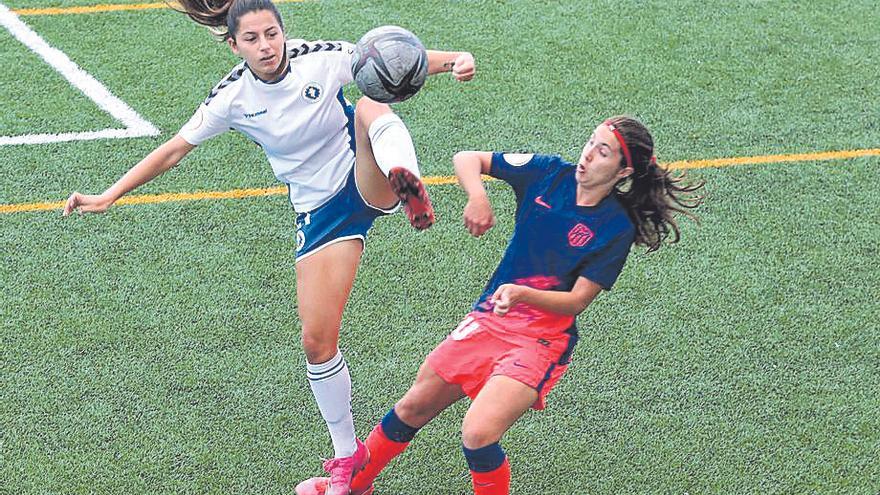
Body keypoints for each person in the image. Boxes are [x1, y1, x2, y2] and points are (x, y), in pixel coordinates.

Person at [61, 1, 475, 493]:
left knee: (368, 101)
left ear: (284, 32)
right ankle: (351, 462)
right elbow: (173, 149)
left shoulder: (319, 57)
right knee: (317, 344)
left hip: (362, 174)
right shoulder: (231, 97)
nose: (266, 46)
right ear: (234, 45)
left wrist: (454, 59)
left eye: (272, 33)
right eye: (252, 38)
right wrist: (110, 194)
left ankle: (406, 180)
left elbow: (383, 58)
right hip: (321, 216)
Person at [295, 116, 703, 494]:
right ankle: (355, 485)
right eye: (590, 142)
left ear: (624, 172)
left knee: (478, 432)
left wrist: (522, 294)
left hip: (541, 341)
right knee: (414, 405)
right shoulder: (546, 173)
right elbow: (467, 158)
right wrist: (478, 197)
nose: (587, 154)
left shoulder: (615, 226)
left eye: (603, 152)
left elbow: (577, 301)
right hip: (489, 320)